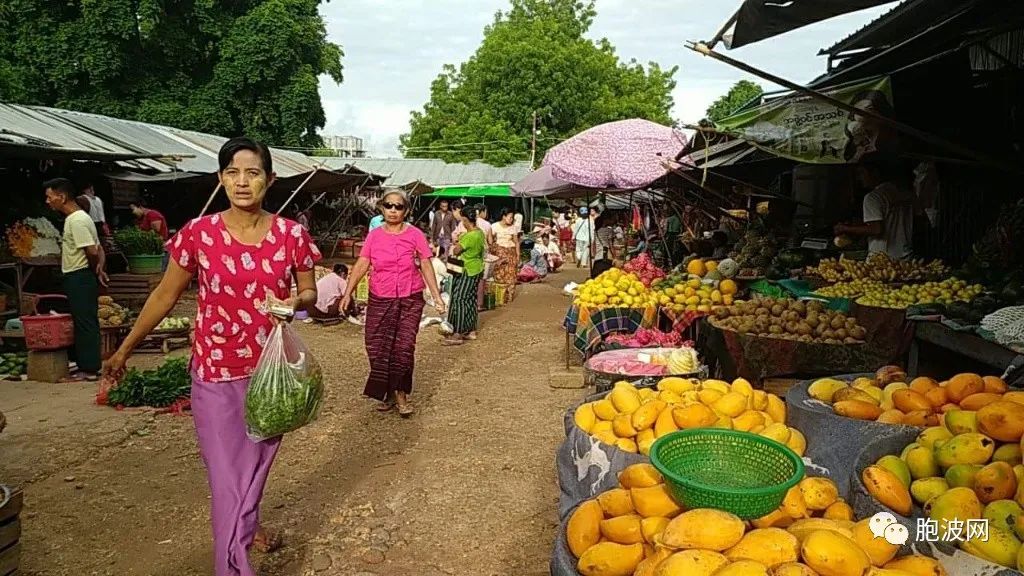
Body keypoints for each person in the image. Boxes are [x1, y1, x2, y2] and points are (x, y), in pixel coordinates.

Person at [102, 137, 321, 576]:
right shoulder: (198, 235)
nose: (243, 181)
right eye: (233, 173)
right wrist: (124, 348)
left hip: (271, 378)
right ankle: (233, 567)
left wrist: (295, 302)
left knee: (254, 470)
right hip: (215, 374)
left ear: (269, 179)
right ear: (221, 179)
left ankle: (247, 528)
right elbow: (165, 295)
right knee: (227, 480)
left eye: (253, 172)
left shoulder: (291, 234)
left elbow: (310, 292)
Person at [339, 188, 444, 417]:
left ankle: (401, 394)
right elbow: (362, 263)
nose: (393, 210)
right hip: (380, 297)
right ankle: (386, 392)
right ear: (381, 208)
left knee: (403, 348)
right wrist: (348, 293)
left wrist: (436, 296)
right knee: (376, 346)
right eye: (389, 206)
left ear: (406, 210)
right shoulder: (374, 236)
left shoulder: (415, 234)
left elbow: (426, 264)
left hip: (410, 298)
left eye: (399, 206)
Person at [45, 178, 108, 382]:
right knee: (83, 319)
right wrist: (100, 268)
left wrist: (93, 268)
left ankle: (89, 368)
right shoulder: (79, 218)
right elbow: (99, 248)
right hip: (80, 274)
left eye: (50, 196)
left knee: (84, 321)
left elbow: (91, 250)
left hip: (79, 274)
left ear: (61, 197)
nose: (48, 201)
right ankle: (85, 364)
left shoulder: (77, 220)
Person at [834, 155, 914, 260]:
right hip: (906, 257)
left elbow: (876, 229)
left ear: (875, 172)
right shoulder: (903, 193)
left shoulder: (873, 197)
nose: (859, 178)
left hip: (883, 260)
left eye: (862, 173)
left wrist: (845, 228)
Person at [444, 205, 485, 346]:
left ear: (466, 220)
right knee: (470, 300)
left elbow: (456, 251)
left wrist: (457, 243)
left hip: (466, 270)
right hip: (477, 269)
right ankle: (471, 330)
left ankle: (459, 332)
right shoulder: (480, 233)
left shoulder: (469, 236)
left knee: (460, 299)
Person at [490, 207, 521, 300]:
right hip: (499, 253)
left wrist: (518, 254)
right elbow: (491, 240)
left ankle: (510, 294)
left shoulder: (513, 228)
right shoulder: (494, 226)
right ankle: (501, 295)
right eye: (510, 217)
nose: (511, 220)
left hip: (510, 252)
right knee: (499, 273)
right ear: (504, 216)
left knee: (511, 273)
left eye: (512, 218)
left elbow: (516, 242)